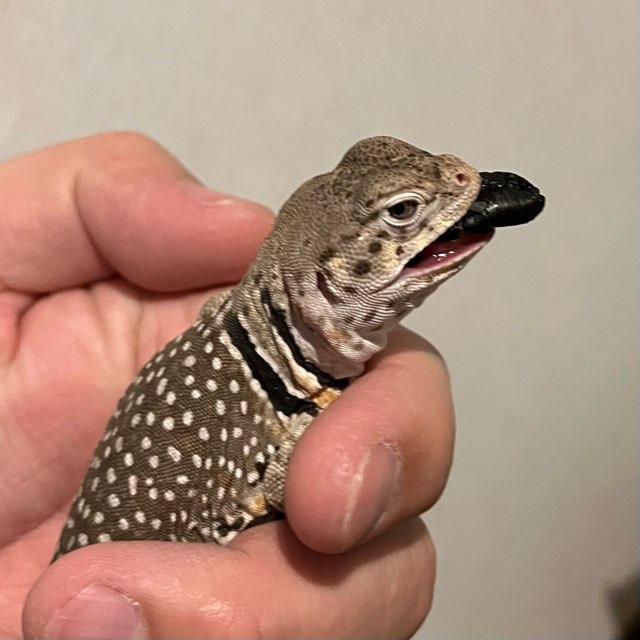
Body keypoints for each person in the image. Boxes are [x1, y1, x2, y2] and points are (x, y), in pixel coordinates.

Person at [0, 132, 455, 639]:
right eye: (401, 212)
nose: (459, 178)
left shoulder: (230, 334)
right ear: (324, 281)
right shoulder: (257, 367)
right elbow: (283, 485)